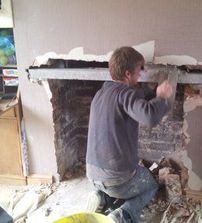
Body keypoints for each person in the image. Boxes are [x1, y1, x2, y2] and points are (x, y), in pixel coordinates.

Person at [86, 46, 173, 223]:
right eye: (138, 71)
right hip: (116, 178)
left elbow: (136, 96)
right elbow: (149, 116)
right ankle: (123, 215)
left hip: (92, 174)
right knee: (150, 186)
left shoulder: (101, 93)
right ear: (127, 74)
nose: (140, 75)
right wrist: (162, 97)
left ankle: (102, 198)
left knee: (117, 184)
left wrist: (152, 93)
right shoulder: (126, 94)